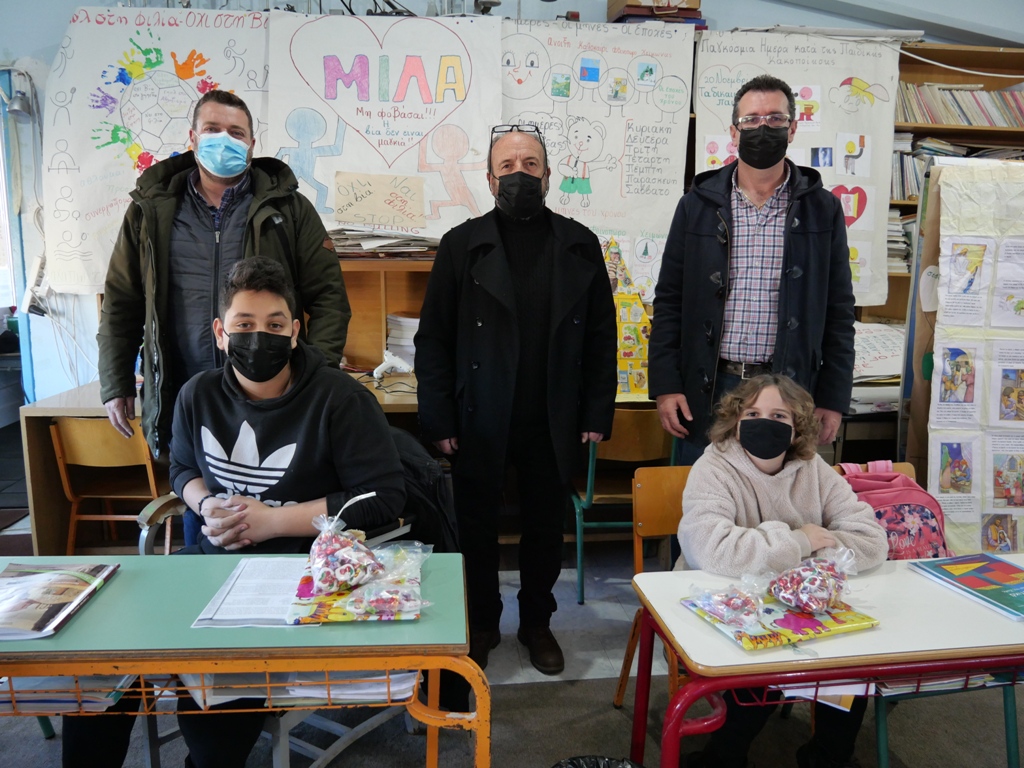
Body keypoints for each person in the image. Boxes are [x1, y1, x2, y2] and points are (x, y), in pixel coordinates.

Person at [63, 257, 403, 768]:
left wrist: (272, 521)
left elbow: (383, 496)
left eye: (274, 326)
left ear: (295, 332)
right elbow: (182, 468)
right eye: (244, 324)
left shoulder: (340, 399)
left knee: (213, 722)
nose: (259, 337)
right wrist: (206, 504)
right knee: (98, 673)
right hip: (208, 565)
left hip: (298, 576)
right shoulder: (197, 394)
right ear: (221, 333)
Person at [98, 89, 352, 543]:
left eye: (236, 132)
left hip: (275, 398)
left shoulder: (288, 209)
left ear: (252, 144)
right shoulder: (150, 211)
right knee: (206, 519)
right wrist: (116, 381)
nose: (224, 140)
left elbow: (329, 296)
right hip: (190, 395)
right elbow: (122, 301)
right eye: (213, 129)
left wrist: (314, 373)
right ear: (192, 138)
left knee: (282, 520)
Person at [415, 123, 617, 676]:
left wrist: (597, 410)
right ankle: (482, 621)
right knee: (476, 526)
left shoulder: (579, 243)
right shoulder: (461, 245)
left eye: (530, 165)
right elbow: (433, 339)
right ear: (489, 179)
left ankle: (536, 623)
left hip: (554, 412)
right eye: (507, 166)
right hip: (479, 413)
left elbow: (602, 335)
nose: (519, 175)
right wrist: (438, 416)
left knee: (545, 527)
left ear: (548, 176)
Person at [676, 374, 888, 768]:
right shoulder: (713, 467)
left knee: (849, 665)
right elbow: (710, 549)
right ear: (735, 420)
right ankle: (721, 759)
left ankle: (828, 759)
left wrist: (807, 556)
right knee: (765, 669)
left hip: (802, 602)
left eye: (778, 415)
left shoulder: (814, 469)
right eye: (752, 413)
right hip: (724, 599)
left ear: (796, 428)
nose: (763, 423)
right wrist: (801, 541)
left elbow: (872, 541)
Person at [649, 74, 855, 464]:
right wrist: (665, 384)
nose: (764, 128)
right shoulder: (697, 204)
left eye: (775, 119)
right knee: (702, 497)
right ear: (734, 131)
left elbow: (839, 312)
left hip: (789, 389)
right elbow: (670, 301)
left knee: (781, 498)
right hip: (709, 387)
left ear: (792, 129)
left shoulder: (822, 209)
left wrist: (833, 397)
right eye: (752, 120)